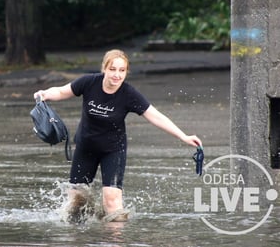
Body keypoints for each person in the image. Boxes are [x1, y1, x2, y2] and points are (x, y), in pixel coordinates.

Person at [33, 49, 202, 223]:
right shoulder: (89, 82)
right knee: (76, 200)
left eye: (122, 71)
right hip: (86, 147)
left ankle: (116, 239)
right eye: (113, 69)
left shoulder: (129, 94)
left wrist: (183, 136)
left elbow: (155, 116)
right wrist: (45, 94)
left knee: (112, 199)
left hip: (112, 150)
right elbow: (62, 92)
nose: (117, 75)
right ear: (104, 69)